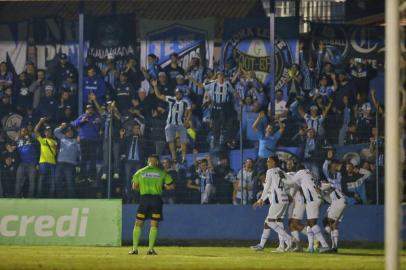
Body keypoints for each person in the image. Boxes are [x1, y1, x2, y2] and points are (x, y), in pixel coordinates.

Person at [129, 154, 174, 255]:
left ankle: (134, 249)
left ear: (148, 161)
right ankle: (150, 249)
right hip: (156, 200)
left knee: (138, 223)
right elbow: (171, 186)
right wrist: (163, 187)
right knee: (154, 224)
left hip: (144, 199)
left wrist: (144, 187)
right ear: (157, 162)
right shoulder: (162, 173)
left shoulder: (139, 172)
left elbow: (134, 187)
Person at [251, 155, 292, 252]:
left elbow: (266, 188)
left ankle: (288, 238)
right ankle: (278, 246)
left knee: (270, 222)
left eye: (269, 161)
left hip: (277, 201)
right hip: (284, 200)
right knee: (277, 222)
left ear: (274, 162)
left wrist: (260, 199)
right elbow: (289, 182)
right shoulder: (280, 171)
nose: (267, 163)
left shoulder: (270, 172)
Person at [290, 168, 330, 253]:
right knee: (309, 224)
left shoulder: (301, 172)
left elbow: (290, 181)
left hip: (312, 199)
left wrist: (281, 177)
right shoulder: (309, 174)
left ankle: (324, 245)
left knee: (312, 224)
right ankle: (311, 247)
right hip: (314, 199)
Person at [152, 79, 191, 163]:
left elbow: (189, 111)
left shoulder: (186, 102)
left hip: (181, 124)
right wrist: (155, 86)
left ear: (182, 94)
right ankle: (174, 157)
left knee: (183, 142)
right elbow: (159, 95)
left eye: (179, 93)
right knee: (170, 141)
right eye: (177, 93)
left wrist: (187, 120)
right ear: (175, 94)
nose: (178, 95)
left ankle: (184, 157)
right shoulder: (171, 99)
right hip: (170, 123)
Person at [71, 104, 101, 182]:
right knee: (83, 159)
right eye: (88, 109)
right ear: (85, 110)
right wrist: (82, 121)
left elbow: (97, 128)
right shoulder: (82, 116)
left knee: (93, 159)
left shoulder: (96, 117)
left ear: (93, 110)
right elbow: (73, 124)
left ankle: (92, 176)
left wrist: (90, 122)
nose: (89, 110)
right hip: (83, 140)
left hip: (93, 140)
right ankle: (82, 176)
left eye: (91, 109)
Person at [54, 123, 80, 198]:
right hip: (60, 163)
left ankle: (71, 199)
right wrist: (61, 126)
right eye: (68, 132)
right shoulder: (63, 138)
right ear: (65, 133)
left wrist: (78, 164)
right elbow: (56, 132)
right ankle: (60, 198)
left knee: (70, 183)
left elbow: (79, 153)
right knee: (58, 181)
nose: (70, 133)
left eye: (71, 132)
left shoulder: (75, 141)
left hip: (70, 165)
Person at [34, 118, 58, 198]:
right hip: (43, 162)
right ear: (44, 133)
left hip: (52, 163)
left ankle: (51, 197)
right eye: (47, 131)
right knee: (41, 180)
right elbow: (35, 130)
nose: (49, 132)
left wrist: (55, 148)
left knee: (53, 181)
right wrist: (40, 121)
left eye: (50, 131)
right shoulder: (42, 140)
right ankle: (39, 196)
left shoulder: (55, 142)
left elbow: (56, 152)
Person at [15, 127, 37, 198]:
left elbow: (37, 137)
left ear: (27, 132)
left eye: (25, 131)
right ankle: (16, 199)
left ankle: (30, 200)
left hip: (32, 164)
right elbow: (12, 147)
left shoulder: (32, 139)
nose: (24, 132)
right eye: (22, 131)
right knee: (18, 182)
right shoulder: (18, 141)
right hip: (22, 164)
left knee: (32, 183)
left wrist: (30, 135)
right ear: (20, 133)